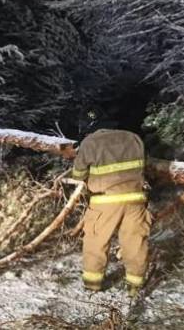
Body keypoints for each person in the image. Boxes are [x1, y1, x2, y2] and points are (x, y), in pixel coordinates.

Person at [71, 127, 151, 297]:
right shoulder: (134, 138)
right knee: (135, 241)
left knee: (96, 241)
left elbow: (78, 174)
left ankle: (92, 284)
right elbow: (144, 166)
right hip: (135, 198)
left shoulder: (91, 142)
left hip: (104, 200)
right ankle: (134, 285)